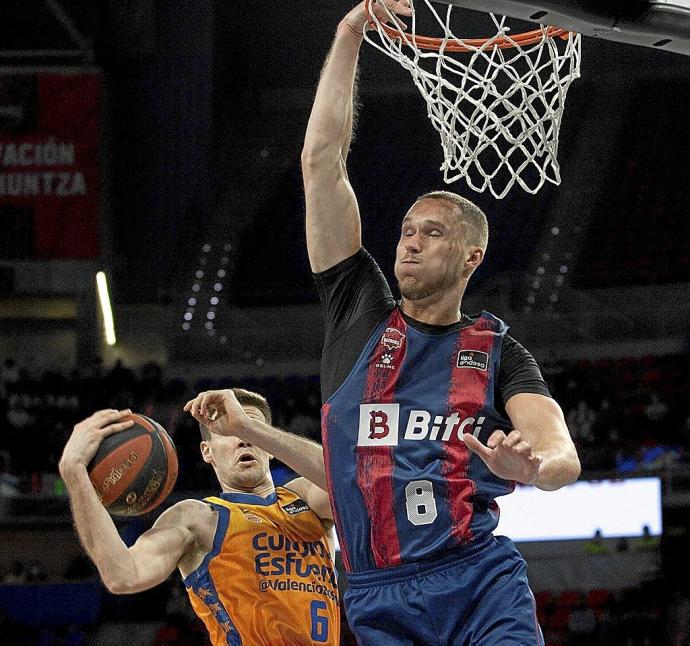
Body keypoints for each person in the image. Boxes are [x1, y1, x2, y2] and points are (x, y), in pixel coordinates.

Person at [298, 1, 582, 642]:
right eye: (405, 231)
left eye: (432, 232)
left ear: (472, 255)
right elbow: (321, 165)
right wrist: (348, 37)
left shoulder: (499, 351)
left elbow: (561, 450)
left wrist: (532, 470)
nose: (410, 242)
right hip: (377, 591)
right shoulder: (359, 310)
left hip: (478, 577)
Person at [58, 389, 340, 646]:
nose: (243, 439)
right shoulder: (197, 518)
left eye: (252, 431)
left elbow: (350, 482)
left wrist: (247, 426)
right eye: (229, 432)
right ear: (207, 452)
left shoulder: (305, 498)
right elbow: (123, 574)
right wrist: (74, 472)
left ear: (268, 444)